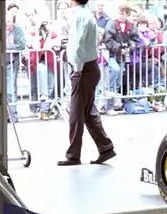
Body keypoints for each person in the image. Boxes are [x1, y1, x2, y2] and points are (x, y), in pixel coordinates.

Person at [58, 0, 114, 167]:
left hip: (83, 69)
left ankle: (73, 154)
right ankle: (105, 147)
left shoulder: (79, 17)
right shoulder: (87, 15)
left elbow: (77, 45)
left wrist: (77, 68)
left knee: (76, 112)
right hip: (90, 67)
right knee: (88, 110)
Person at [4, 12, 26, 121]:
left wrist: (7, 47)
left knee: (10, 90)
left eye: (8, 21)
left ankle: (13, 115)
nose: (5, 23)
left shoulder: (18, 30)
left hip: (11, 63)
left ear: (13, 22)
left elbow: (21, 45)